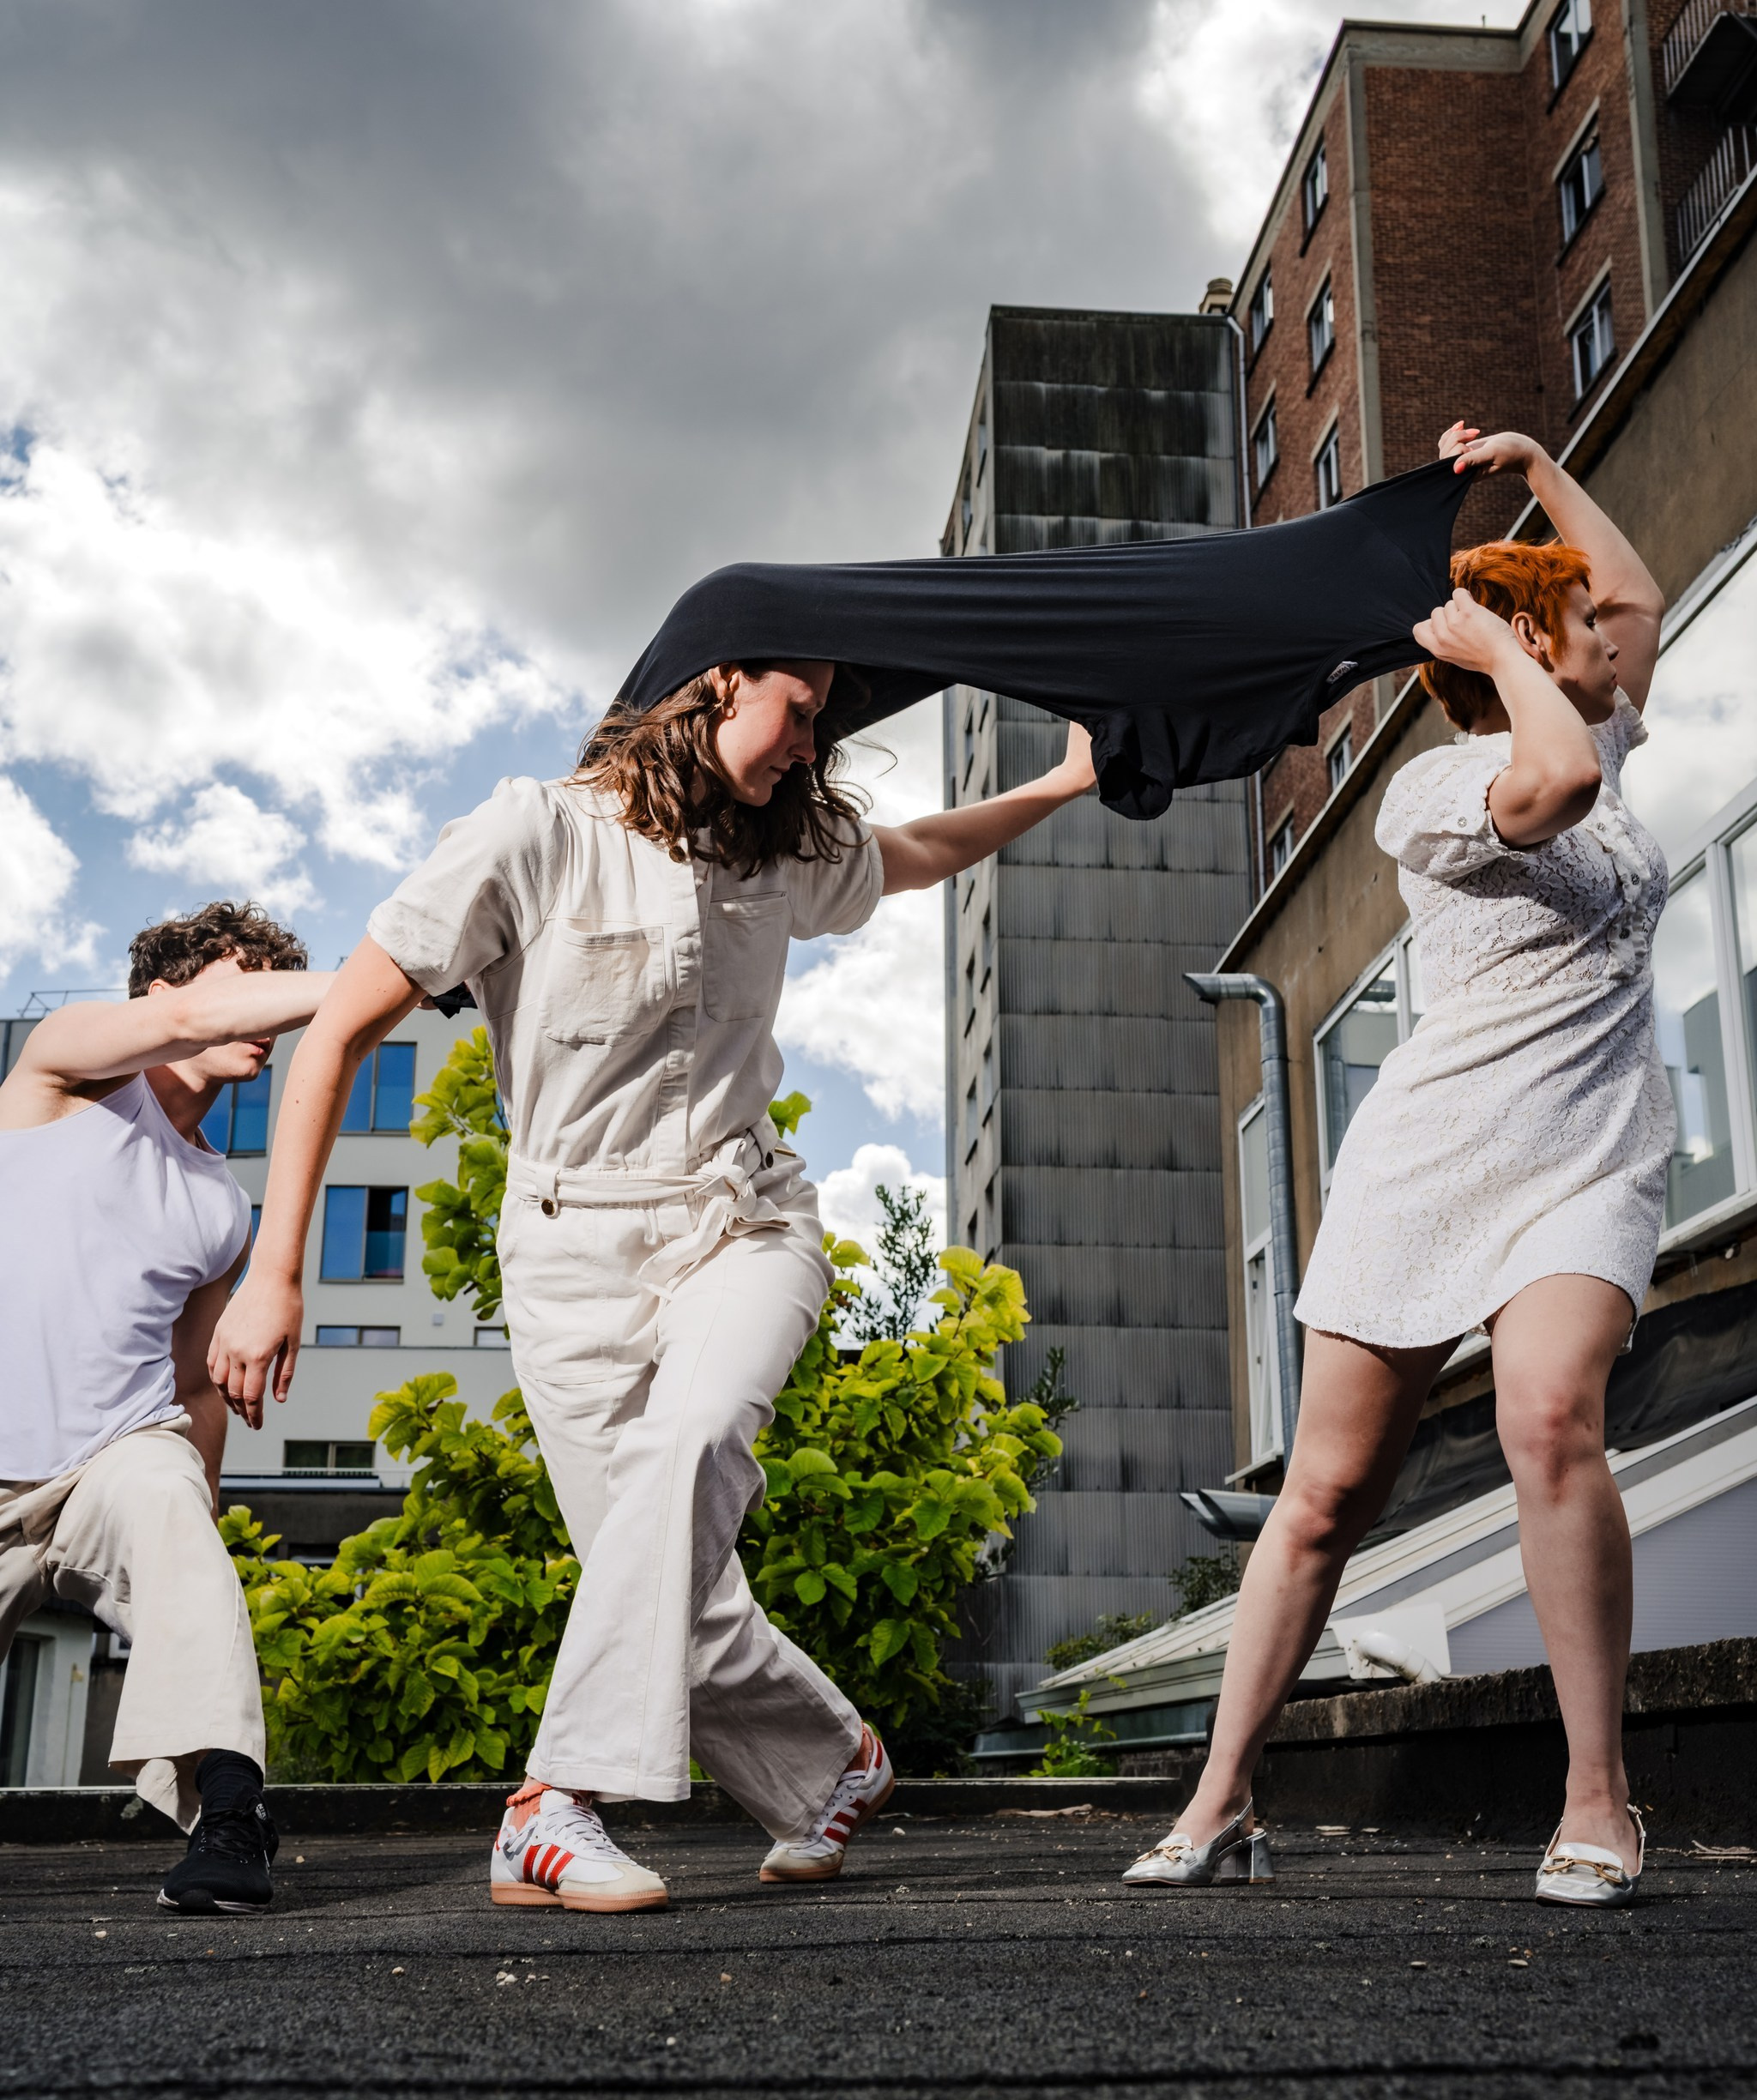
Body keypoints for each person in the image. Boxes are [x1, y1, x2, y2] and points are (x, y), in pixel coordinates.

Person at [210, 664, 1097, 1910]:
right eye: (800, 710)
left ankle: (553, 1804)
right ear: (718, 682)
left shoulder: (788, 844)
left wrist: (1059, 784)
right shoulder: (533, 831)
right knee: (656, 1571)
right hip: (570, 1247)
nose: (812, 742)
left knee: (689, 1453)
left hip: (746, 1218)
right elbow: (344, 1027)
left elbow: (919, 851)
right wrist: (274, 1270)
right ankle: (835, 1762)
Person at [1125, 422, 1669, 1910]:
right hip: (1429, 1163)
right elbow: (1547, 783)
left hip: (1586, 1157)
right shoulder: (1430, 800)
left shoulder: (1592, 727)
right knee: (1324, 1495)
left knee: (1549, 1413)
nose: (1620, 643)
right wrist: (1498, 650)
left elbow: (1629, 604)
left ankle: (1596, 1797)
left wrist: (1538, 463)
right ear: (1514, 652)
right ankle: (1223, 1793)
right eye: (1573, 634)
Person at [0, 902, 332, 1912]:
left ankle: (232, 1812)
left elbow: (194, 1382)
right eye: (240, 989)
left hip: (116, 1454)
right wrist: (386, 975)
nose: (264, 1022)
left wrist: (205, 1506)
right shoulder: (65, 1071)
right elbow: (155, 1035)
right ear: (161, 995)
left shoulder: (220, 1203)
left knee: (163, 1488)